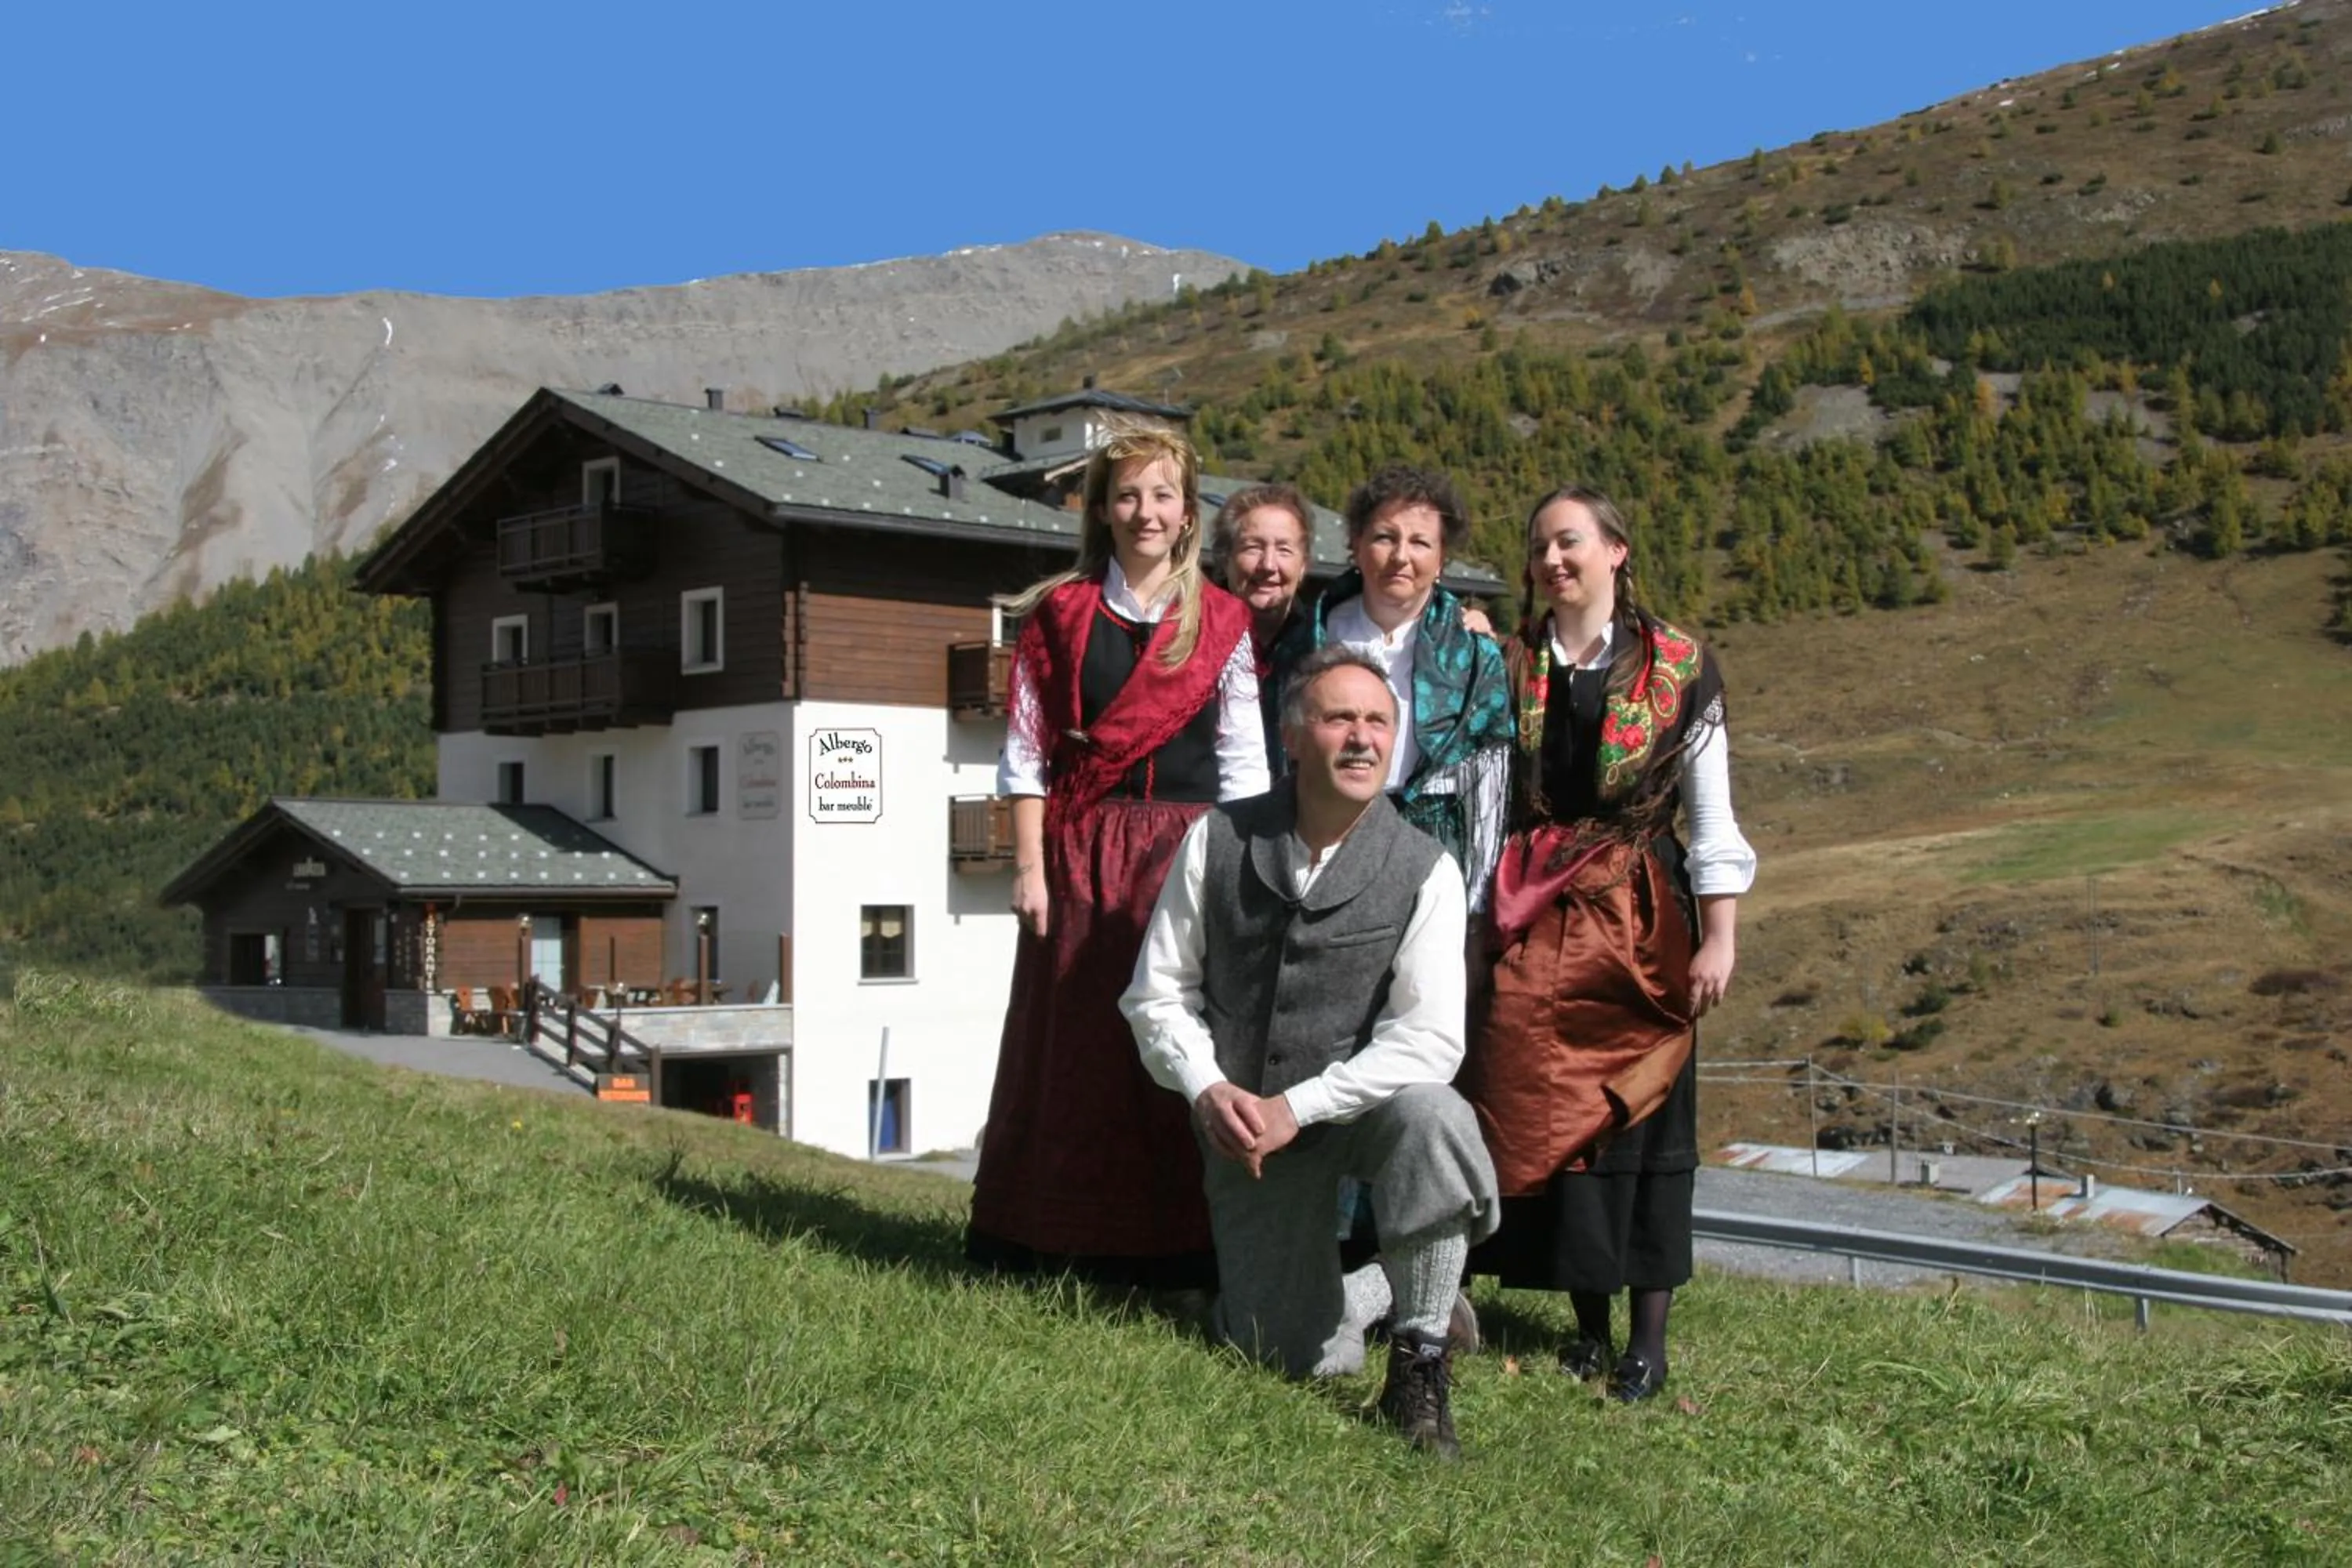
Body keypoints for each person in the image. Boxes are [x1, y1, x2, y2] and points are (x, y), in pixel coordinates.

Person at [1122, 646, 1501, 1457]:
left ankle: (1421, 1359)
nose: (1362, 738)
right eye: (1339, 718)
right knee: (1294, 1357)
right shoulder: (1217, 837)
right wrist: (1205, 1086)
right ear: (1293, 736)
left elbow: (1430, 1036)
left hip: (1363, 1111)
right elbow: (1155, 994)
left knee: (1437, 1116)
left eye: (1378, 721)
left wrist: (1303, 1105)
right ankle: (1381, 1288)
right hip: (1245, 1124)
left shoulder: (1425, 868)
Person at [1458, 485, 1756, 1403]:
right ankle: (1586, 1326)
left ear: (1617, 550)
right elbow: (1486, 803)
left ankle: (1649, 1340)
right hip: (1538, 913)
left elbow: (1710, 811)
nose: (1554, 559)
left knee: (1646, 1111)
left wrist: (1720, 938)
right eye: (1541, 544)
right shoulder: (1507, 663)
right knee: (1552, 1112)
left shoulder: (1680, 665)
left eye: (1572, 541)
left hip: (1644, 916)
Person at [967, 417, 1270, 1290]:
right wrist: (1030, 868)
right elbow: (1025, 758)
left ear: (1188, 514)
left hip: (1185, 855)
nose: (1146, 511)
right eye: (1128, 493)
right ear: (1103, 508)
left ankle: (1176, 1252)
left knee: (1176, 1052)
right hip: (1080, 856)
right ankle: (1057, 1239)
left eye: (1163, 494)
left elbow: (1245, 766)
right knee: (1075, 1049)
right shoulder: (1058, 616)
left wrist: (1239, 874)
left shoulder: (1221, 623)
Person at [1308, 464, 1513, 907]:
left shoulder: (1475, 658)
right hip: (1322, 841)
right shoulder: (1312, 637)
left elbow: (1488, 789)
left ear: (1441, 559)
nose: (1402, 556)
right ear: (1356, 545)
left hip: (1433, 852)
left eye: (1420, 542)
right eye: (1385, 537)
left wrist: (1477, 907)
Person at [1210, 482, 1318, 773]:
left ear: (1304, 565)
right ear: (1224, 558)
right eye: (1253, 547)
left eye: (1284, 549)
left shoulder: (1322, 644)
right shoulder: (1191, 640)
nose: (1268, 565)